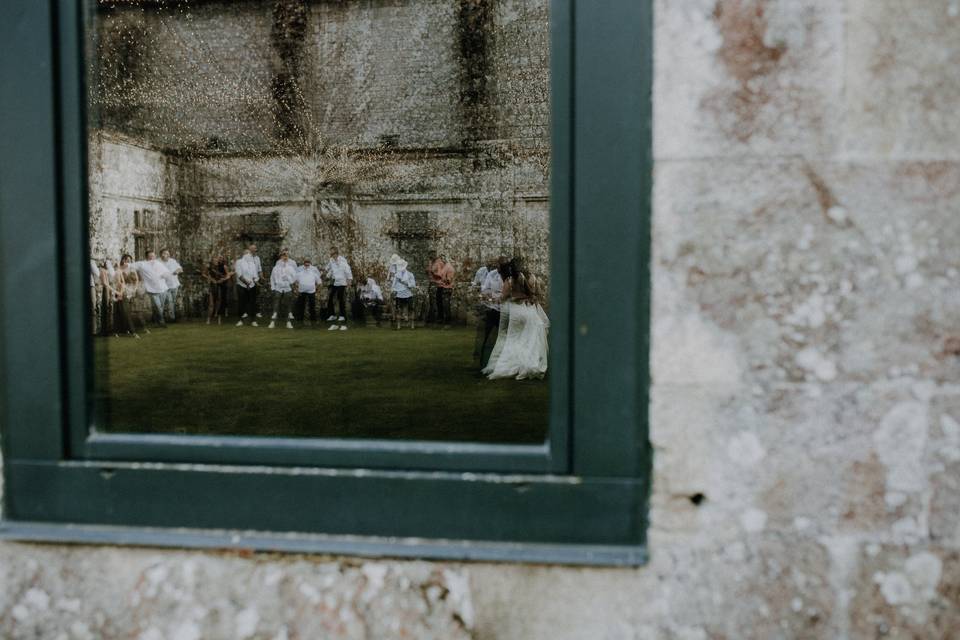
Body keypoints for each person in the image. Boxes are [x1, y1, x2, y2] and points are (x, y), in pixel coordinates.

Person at [482, 257, 549, 380]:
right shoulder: (524, 278)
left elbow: (503, 297)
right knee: (521, 338)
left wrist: (491, 299)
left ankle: (506, 364)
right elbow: (531, 295)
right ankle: (520, 363)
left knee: (510, 338)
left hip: (514, 311)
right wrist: (527, 298)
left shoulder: (510, 281)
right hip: (524, 309)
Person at [476, 256, 506, 368]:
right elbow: (485, 289)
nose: (496, 267)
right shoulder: (492, 274)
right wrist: (490, 295)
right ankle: (483, 360)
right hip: (493, 307)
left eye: (498, 265)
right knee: (487, 333)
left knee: (503, 335)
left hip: (505, 309)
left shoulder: (509, 276)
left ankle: (501, 360)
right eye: (496, 265)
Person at [133, 250, 171, 327]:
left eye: (153, 256)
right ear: (146, 257)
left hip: (162, 288)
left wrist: (164, 275)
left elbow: (167, 272)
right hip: (152, 290)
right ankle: (162, 322)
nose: (152, 258)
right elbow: (132, 265)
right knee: (158, 306)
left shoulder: (158, 264)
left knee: (160, 307)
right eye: (150, 257)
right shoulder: (142, 264)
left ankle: (156, 321)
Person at [112, 254, 143, 337]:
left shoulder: (131, 268)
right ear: (123, 260)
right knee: (119, 312)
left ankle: (128, 330)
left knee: (125, 311)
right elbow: (118, 281)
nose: (128, 262)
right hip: (119, 291)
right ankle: (125, 331)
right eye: (126, 260)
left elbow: (136, 280)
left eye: (129, 260)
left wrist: (134, 290)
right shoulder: (118, 269)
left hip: (126, 291)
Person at [325, 246, 353, 331]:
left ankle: (343, 318)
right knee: (330, 299)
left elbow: (348, 272)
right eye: (331, 253)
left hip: (342, 283)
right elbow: (329, 269)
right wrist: (327, 275)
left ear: (336, 253)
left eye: (333, 253)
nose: (331, 255)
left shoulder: (343, 261)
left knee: (341, 300)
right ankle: (332, 316)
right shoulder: (331, 261)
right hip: (335, 283)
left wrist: (349, 283)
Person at [269, 249, 298, 329]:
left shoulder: (290, 267)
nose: (284, 257)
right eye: (283, 255)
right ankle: (273, 322)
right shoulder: (276, 267)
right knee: (276, 305)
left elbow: (295, 277)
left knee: (288, 305)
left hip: (287, 288)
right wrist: (273, 287)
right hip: (278, 288)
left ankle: (288, 322)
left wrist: (289, 279)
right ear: (281, 257)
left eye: (286, 255)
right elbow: (272, 278)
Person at [202, 253, 232, 325]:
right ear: (212, 260)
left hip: (220, 286)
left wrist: (223, 280)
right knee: (211, 304)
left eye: (217, 260)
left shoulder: (222, 267)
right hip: (212, 286)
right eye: (214, 260)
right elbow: (203, 274)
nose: (216, 261)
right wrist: (210, 279)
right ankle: (208, 319)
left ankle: (219, 319)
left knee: (219, 303)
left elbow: (228, 276)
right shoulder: (209, 267)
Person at [235, 249, 260, 327]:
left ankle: (253, 320)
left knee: (252, 303)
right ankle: (240, 320)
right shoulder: (239, 262)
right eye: (247, 253)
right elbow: (239, 275)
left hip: (252, 286)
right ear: (244, 254)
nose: (248, 255)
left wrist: (255, 281)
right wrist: (246, 283)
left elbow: (255, 275)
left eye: (249, 253)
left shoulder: (252, 263)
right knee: (241, 303)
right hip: (241, 286)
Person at [294, 257, 323, 326]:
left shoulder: (313, 272)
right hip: (302, 291)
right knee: (301, 306)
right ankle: (299, 319)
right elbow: (294, 281)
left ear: (310, 264)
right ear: (304, 264)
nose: (307, 265)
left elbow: (319, 282)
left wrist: (317, 291)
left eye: (308, 264)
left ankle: (313, 319)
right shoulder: (300, 272)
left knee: (312, 306)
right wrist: (296, 289)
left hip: (311, 291)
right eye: (305, 264)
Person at [390, 259, 416, 330]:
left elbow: (413, 285)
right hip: (399, 294)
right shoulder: (396, 275)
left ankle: (412, 325)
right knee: (398, 309)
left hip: (408, 294)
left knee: (411, 309)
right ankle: (399, 326)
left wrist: (407, 283)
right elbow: (393, 285)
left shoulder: (410, 274)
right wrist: (393, 291)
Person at [158, 248, 183, 323]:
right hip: (164, 286)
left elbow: (180, 269)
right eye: (164, 253)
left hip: (174, 284)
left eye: (167, 254)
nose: (166, 255)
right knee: (169, 301)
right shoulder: (158, 262)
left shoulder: (172, 261)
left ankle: (168, 317)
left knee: (172, 301)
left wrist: (177, 271)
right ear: (161, 254)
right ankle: (171, 318)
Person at [436, 254, 455, 328]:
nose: (439, 262)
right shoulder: (442, 267)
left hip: (447, 288)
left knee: (446, 305)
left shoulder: (449, 268)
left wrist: (441, 279)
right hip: (441, 287)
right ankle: (441, 320)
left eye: (440, 260)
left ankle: (448, 322)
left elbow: (449, 281)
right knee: (440, 304)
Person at [247, 243, 264, 319]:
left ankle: (257, 312)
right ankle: (248, 312)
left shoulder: (257, 258)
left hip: (257, 280)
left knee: (256, 297)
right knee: (248, 297)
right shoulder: (247, 258)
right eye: (254, 248)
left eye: (255, 248)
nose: (255, 249)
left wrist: (262, 277)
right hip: (249, 280)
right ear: (250, 249)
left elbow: (259, 269)